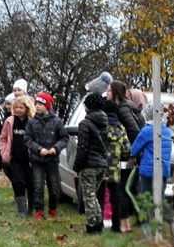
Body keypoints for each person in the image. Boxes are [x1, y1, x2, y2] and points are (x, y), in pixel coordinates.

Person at [25, 92, 69, 220]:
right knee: (38, 186)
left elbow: (64, 138)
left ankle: (53, 209)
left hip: (52, 160)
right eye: (36, 104)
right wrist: (39, 149)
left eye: (40, 104)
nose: (37, 106)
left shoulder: (57, 121)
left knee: (54, 187)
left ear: (48, 106)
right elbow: (28, 139)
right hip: (37, 160)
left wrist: (56, 148)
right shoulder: (32, 122)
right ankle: (39, 210)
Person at [72, 93, 110, 234]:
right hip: (102, 164)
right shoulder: (105, 123)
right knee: (93, 195)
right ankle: (99, 224)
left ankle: (91, 226)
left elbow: (82, 148)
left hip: (89, 165)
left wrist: (76, 167)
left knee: (88, 197)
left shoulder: (85, 124)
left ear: (88, 106)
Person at [129, 112, 172, 230]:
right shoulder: (166, 130)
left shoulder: (147, 131)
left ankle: (147, 225)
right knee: (160, 198)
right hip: (164, 170)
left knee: (145, 197)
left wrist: (131, 155)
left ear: (149, 115)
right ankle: (172, 221)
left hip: (149, 171)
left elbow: (134, 149)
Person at [0, 96, 35, 218]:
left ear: (27, 108)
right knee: (18, 182)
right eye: (16, 107)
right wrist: (4, 153)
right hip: (15, 158)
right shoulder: (10, 121)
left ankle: (31, 208)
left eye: (21, 107)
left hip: (30, 159)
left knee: (31, 183)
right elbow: (3, 138)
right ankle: (21, 210)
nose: (18, 110)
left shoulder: (32, 121)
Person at [102, 99, 132, 233]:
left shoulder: (100, 127)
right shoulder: (121, 129)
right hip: (114, 168)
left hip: (100, 166)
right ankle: (116, 226)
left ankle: (99, 224)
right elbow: (127, 150)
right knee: (116, 196)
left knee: (100, 195)